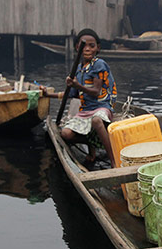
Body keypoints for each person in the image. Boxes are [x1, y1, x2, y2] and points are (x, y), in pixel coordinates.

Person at [41, 28, 118, 167]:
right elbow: (71, 94)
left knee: (96, 121)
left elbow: (95, 91)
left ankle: (114, 161)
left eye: (92, 46)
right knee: (65, 133)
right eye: (84, 46)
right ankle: (92, 145)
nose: (87, 49)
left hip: (102, 107)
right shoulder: (78, 69)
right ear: (78, 48)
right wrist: (48, 94)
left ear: (97, 48)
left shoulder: (98, 64)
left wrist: (77, 85)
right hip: (85, 111)